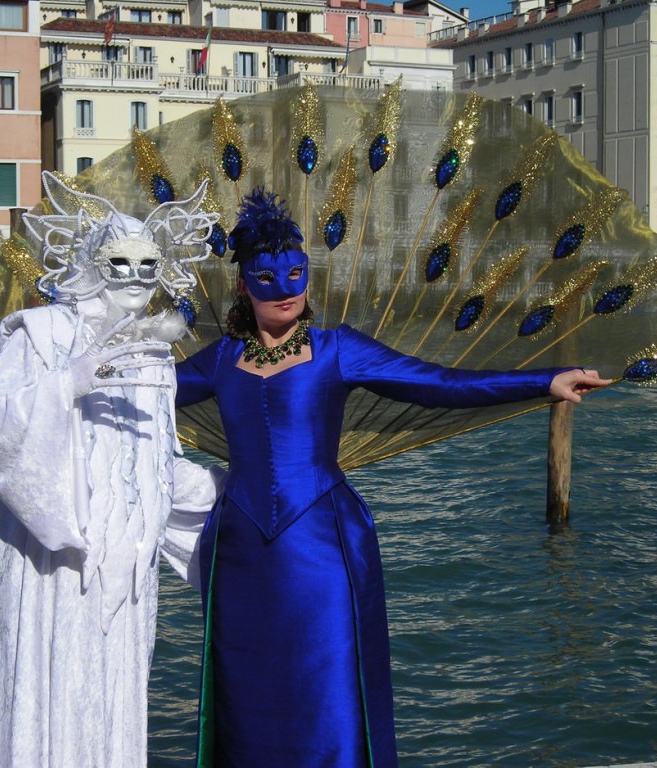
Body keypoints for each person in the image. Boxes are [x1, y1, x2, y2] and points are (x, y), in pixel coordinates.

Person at [174, 189, 611, 768]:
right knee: (243, 687)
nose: (285, 290)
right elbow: (139, 389)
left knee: (328, 681)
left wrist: (545, 380)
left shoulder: (337, 350)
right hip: (241, 552)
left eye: (296, 275)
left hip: (323, 546)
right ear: (242, 285)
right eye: (266, 277)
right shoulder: (220, 358)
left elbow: (444, 384)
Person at [0, 173, 220, 768]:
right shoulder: (44, 334)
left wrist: (242, 494)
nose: (136, 275)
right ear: (94, 263)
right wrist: (64, 387)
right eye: (120, 261)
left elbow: (153, 467)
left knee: (109, 708)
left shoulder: (154, 355)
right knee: (50, 702)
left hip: (121, 583)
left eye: (149, 263)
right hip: (53, 574)